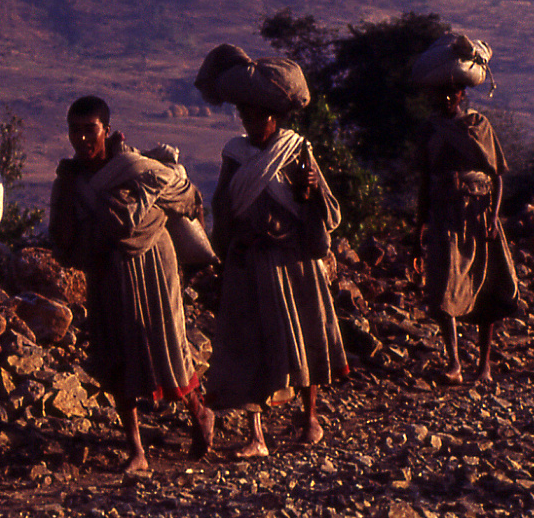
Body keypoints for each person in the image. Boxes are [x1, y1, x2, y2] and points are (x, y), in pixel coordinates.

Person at [50, 95, 214, 474]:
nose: (81, 139)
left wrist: (129, 217)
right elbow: (62, 232)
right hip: (106, 272)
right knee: (115, 354)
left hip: (154, 264)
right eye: (74, 131)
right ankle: (137, 451)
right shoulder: (71, 180)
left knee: (168, 344)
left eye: (89, 130)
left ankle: (200, 411)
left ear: (106, 130)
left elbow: (178, 196)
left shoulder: (135, 168)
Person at [200, 46, 350, 456]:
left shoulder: (296, 150)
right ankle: (256, 435)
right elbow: (223, 204)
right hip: (249, 261)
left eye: (256, 114)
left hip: (292, 261)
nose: (249, 122)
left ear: (274, 116)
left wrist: (308, 195)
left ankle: (310, 419)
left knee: (302, 336)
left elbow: (324, 206)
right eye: (244, 114)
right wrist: (229, 240)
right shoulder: (235, 154)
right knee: (250, 342)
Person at [413, 35, 518, 385]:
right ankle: (454, 363)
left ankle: (484, 365)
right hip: (444, 215)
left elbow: (498, 175)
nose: (446, 98)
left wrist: (493, 217)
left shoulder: (478, 126)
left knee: (485, 285)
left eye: (452, 92)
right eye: (440, 93)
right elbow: (425, 182)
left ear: (462, 93)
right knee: (444, 288)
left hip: (478, 214)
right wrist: (418, 231)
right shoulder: (430, 130)